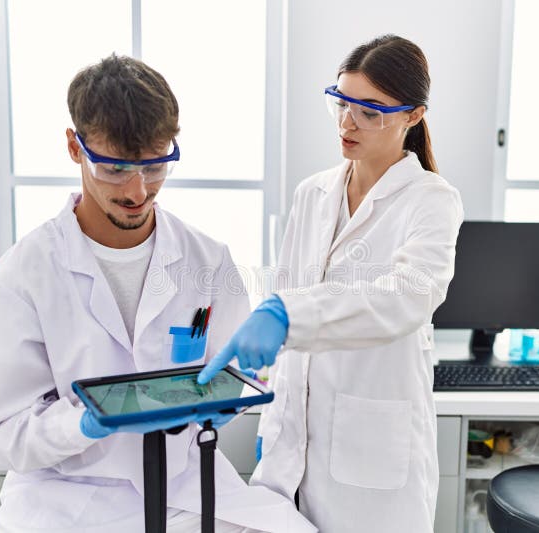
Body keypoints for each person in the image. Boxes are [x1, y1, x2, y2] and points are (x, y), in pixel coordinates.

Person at [0, 54, 315, 533]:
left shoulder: (207, 259)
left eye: (156, 166)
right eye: (115, 169)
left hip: (187, 487)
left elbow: (233, 374)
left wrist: (234, 394)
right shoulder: (21, 277)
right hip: (69, 498)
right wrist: (85, 424)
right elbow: (4, 436)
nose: (138, 190)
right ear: (75, 147)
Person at [198, 35, 464, 532]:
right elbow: (292, 294)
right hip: (288, 451)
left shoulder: (431, 200)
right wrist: (271, 407)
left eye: (370, 110)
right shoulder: (312, 193)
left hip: (372, 467)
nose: (348, 122)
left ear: (413, 115)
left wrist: (287, 314)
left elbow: (405, 296)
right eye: (341, 103)